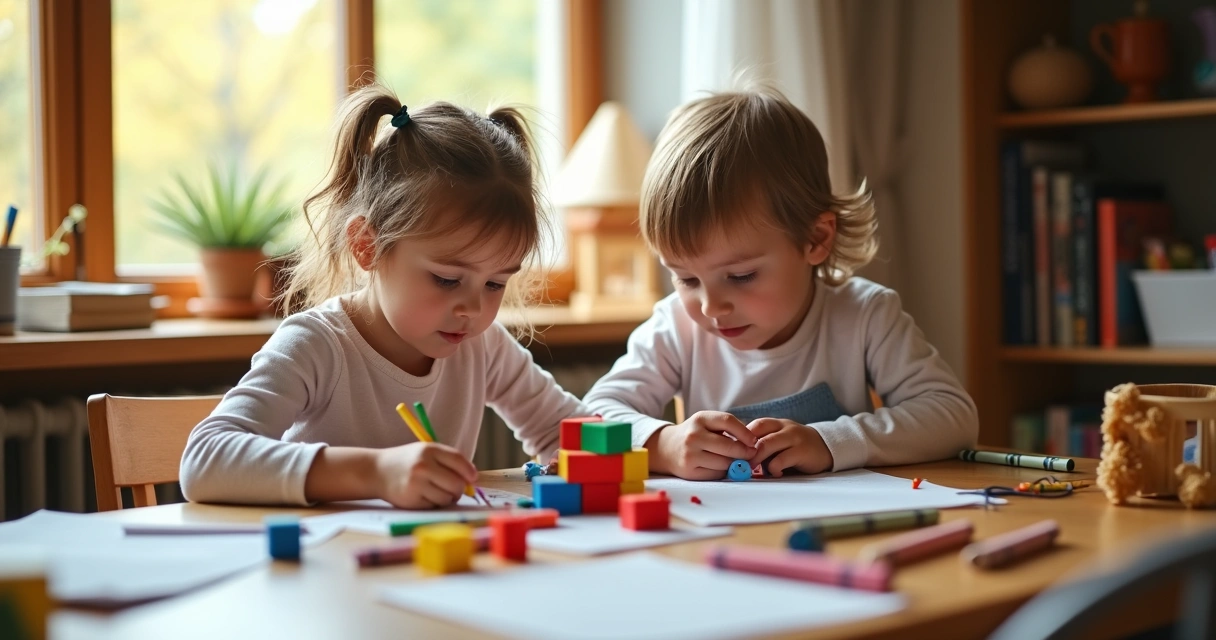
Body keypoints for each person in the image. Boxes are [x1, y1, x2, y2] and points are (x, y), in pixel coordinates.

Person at [181, 84, 586, 507]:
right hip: (331, 567)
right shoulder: (317, 345)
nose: (473, 309)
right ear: (366, 246)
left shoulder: (482, 347)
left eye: (495, 284)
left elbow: (568, 430)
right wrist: (376, 473)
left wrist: (583, 455)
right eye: (447, 279)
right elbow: (204, 459)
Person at [584, 88, 977, 480]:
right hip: (718, 533)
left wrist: (830, 441)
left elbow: (952, 415)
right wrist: (662, 444)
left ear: (815, 239)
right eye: (686, 279)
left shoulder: (864, 315)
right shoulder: (676, 327)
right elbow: (592, 418)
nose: (710, 307)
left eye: (740, 276)